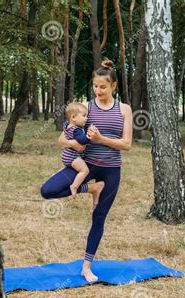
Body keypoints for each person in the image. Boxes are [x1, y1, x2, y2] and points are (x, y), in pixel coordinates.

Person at [41, 58, 133, 282]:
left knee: (98, 217)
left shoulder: (124, 110)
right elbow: (62, 137)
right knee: (47, 190)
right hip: (87, 166)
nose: (98, 90)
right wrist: (75, 144)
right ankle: (91, 189)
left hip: (111, 169)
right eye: (95, 86)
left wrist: (101, 138)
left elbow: (127, 144)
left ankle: (86, 266)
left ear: (113, 86)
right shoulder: (86, 108)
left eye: (103, 87)